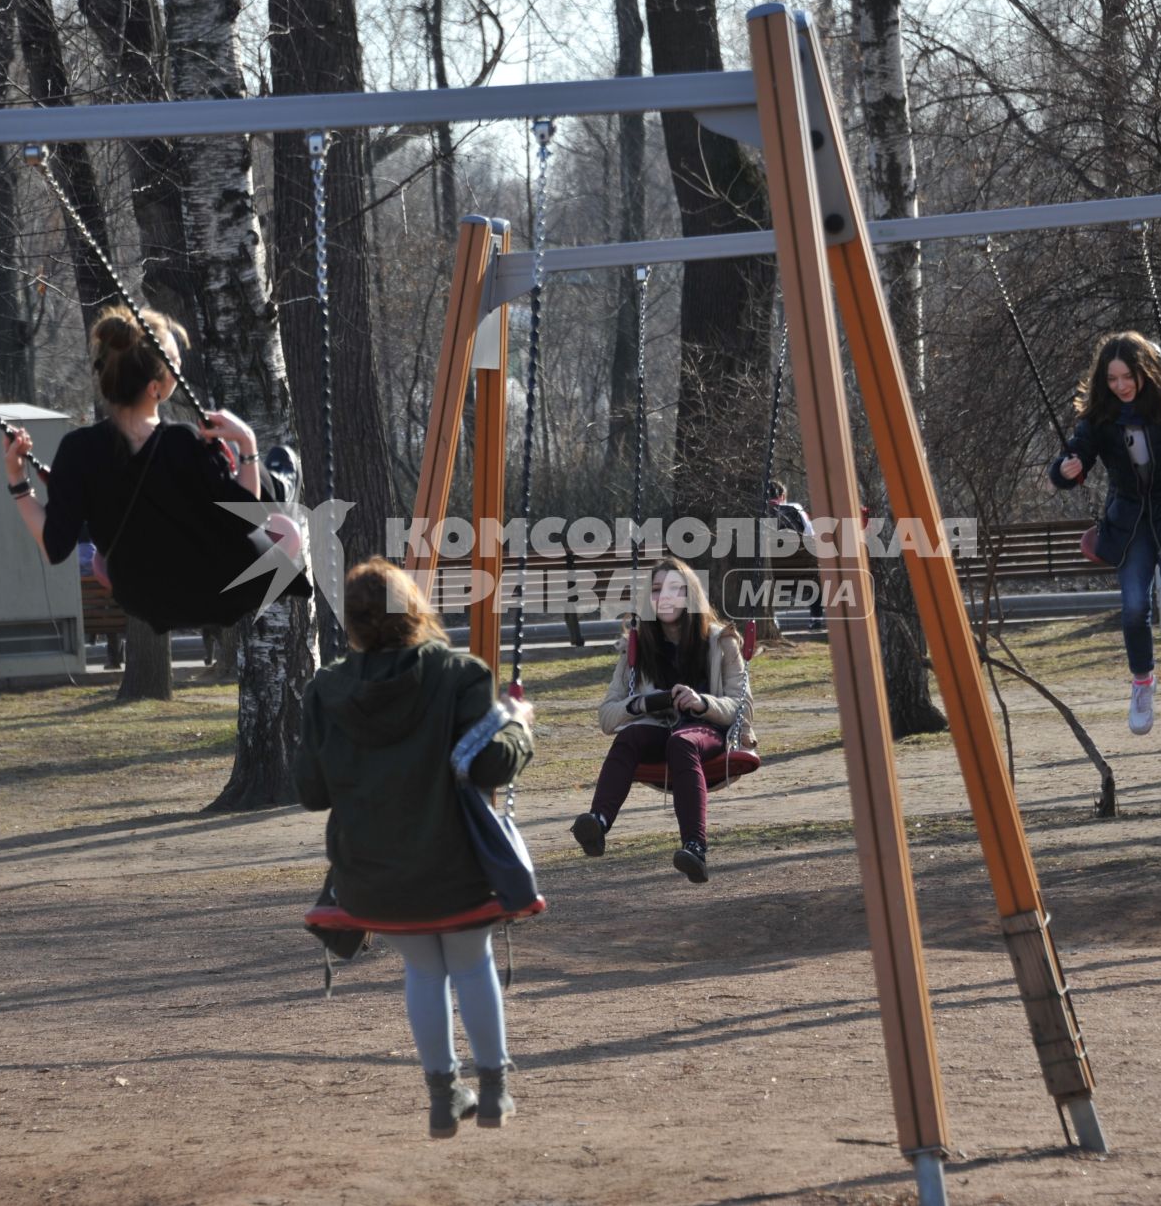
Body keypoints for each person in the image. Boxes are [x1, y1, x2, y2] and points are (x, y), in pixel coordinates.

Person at [295, 558, 536, 1139]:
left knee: (424, 971)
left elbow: (311, 791)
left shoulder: (327, 689)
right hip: (454, 866)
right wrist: (518, 726)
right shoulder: (459, 674)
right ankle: (496, 1091)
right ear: (415, 608)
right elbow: (488, 764)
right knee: (470, 963)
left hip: (374, 876)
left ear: (352, 624)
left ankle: (443, 1092)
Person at [2, 305, 308, 633]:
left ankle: (277, 481)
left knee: (100, 560)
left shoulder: (77, 450)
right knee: (285, 529)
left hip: (143, 599)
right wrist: (246, 444)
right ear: (154, 388)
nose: (180, 370)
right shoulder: (183, 442)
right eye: (174, 365)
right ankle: (280, 482)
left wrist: (18, 481)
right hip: (215, 592)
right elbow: (246, 518)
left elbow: (55, 547)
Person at [1049, 331, 1161, 738]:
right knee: (1133, 606)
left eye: (1127, 376)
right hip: (1130, 521)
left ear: (1145, 370)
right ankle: (1142, 682)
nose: (1120, 386)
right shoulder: (1099, 417)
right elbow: (1073, 456)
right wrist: (1065, 470)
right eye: (1111, 379)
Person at [571, 556, 755, 882]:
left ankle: (695, 848)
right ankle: (597, 823)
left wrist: (701, 703)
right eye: (656, 590)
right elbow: (607, 717)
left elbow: (740, 707)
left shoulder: (720, 640)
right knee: (628, 737)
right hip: (658, 728)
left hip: (705, 732)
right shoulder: (637, 645)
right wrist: (641, 703)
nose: (665, 598)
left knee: (681, 741)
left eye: (675, 589)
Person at [766, 480, 822, 628]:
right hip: (802, 572)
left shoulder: (759, 512)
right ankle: (816, 618)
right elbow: (811, 536)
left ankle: (772, 620)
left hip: (772, 574)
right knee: (817, 571)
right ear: (783, 495)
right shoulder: (795, 509)